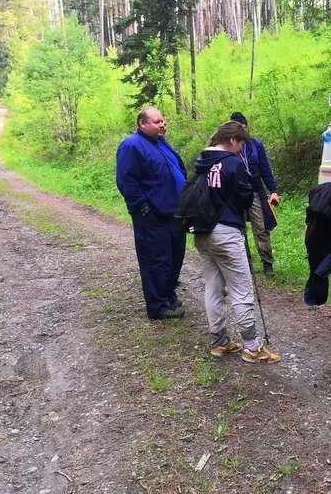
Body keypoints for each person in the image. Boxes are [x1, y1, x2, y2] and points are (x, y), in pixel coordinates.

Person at [192, 121, 281, 363]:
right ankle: (252, 347)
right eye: (241, 143)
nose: (242, 148)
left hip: (202, 232)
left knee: (213, 287)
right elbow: (245, 198)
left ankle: (219, 342)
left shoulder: (201, 161)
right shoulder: (233, 163)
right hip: (226, 232)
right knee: (241, 290)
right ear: (232, 140)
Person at [116, 107, 187, 320]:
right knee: (157, 259)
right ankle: (157, 306)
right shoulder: (132, 145)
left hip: (174, 212)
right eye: (156, 122)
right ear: (141, 124)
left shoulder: (161, 143)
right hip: (152, 215)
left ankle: (168, 296)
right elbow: (126, 180)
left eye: (163, 121)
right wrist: (143, 207)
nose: (162, 125)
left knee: (174, 257)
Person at [230, 112, 279, 278]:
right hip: (236, 194)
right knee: (239, 229)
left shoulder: (255, 145)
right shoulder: (228, 147)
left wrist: (273, 190)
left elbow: (265, 169)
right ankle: (245, 262)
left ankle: (267, 263)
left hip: (255, 193)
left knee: (261, 228)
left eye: (244, 127)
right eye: (238, 128)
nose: (242, 131)